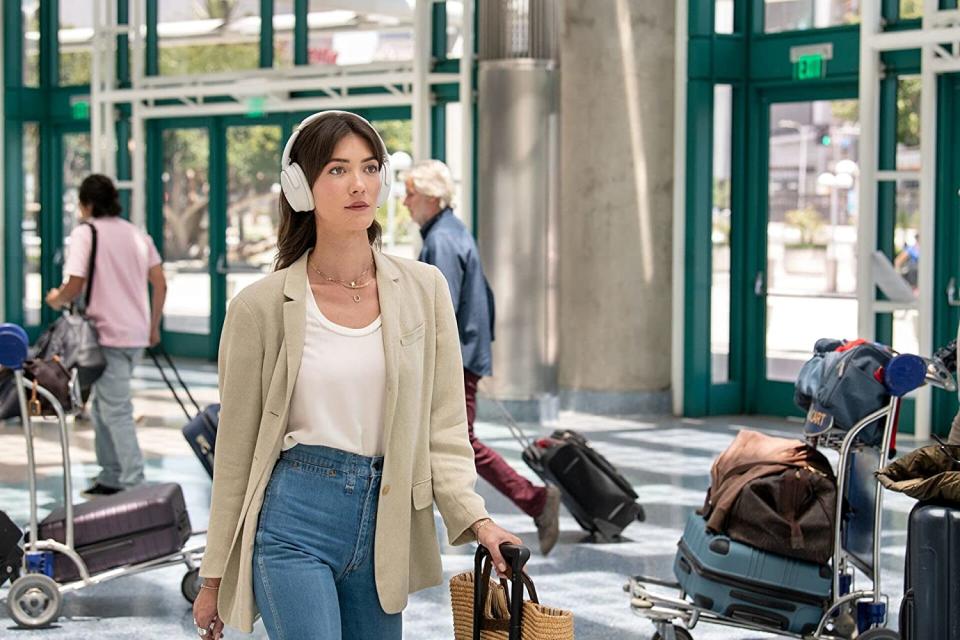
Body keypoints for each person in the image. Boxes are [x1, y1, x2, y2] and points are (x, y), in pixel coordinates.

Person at [192, 111, 520, 640]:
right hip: (292, 520)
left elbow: (444, 431)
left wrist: (479, 522)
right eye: (338, 170)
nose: (359, 184)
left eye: (369, 168)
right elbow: (235, 451)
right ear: (301, 186)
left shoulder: (424, 289)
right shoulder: (260, 307)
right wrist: (213, 576)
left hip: (384, 524)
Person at [403, 159, 561, 556]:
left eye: (411, 193)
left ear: (432, 197)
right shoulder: (455, 231)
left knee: (461, 443)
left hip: (454, 360)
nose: (405, 202)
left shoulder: (440, 241)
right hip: (466, 354)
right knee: (454, 441)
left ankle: (535, 499)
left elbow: (438, 311)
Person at [45, 174, 166, 497]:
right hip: (136, 335)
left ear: (86, 204)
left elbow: (74, 284)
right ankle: (111, 476)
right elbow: (160, 281)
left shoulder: (86, 233)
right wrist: (153, 326)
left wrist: (56, 298)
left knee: (115, 410)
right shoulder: (137, 234)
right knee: (102, 407)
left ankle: (133, 483)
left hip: (107, 335)